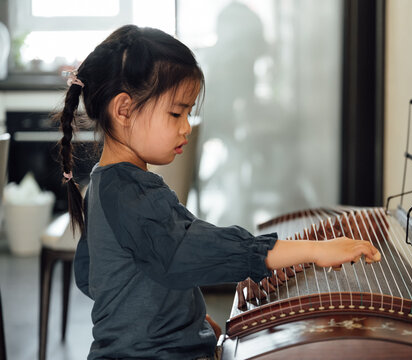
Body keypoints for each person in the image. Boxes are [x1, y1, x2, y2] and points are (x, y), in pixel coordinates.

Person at [57, 25, 381, 360]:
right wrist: (315, 250)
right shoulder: (128, 192)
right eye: (175, 112)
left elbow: (95, 275)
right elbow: (185, 252)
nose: (186, 126)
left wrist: (183, 320)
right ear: (123, 110)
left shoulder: (105, 182)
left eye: (188, 112)